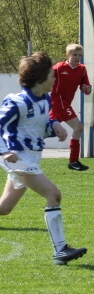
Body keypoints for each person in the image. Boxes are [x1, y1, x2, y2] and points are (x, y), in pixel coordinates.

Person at [0, 52, 87, 265]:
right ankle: (60, 250)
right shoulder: (16, 102)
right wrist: (3, 152)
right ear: (40, 80)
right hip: (18, 159)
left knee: (4, 209)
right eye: (51, 76)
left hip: (31, 159)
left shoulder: (46, 100)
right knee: (53, 194)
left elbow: (34, 127)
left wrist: (53, 127)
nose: (54, 79)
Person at [49, 44, 93, 171]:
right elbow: (45, 77)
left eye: (80, 55)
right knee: (78, 127)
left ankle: (21, 150)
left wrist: (87, 88)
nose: (77, 57)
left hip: (65, 103)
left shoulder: (82, 69)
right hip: (58, 102)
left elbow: (87, 88)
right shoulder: (58, 67)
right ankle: (73, 161)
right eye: (74, 55)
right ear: (67, 56)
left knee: (46, 130)